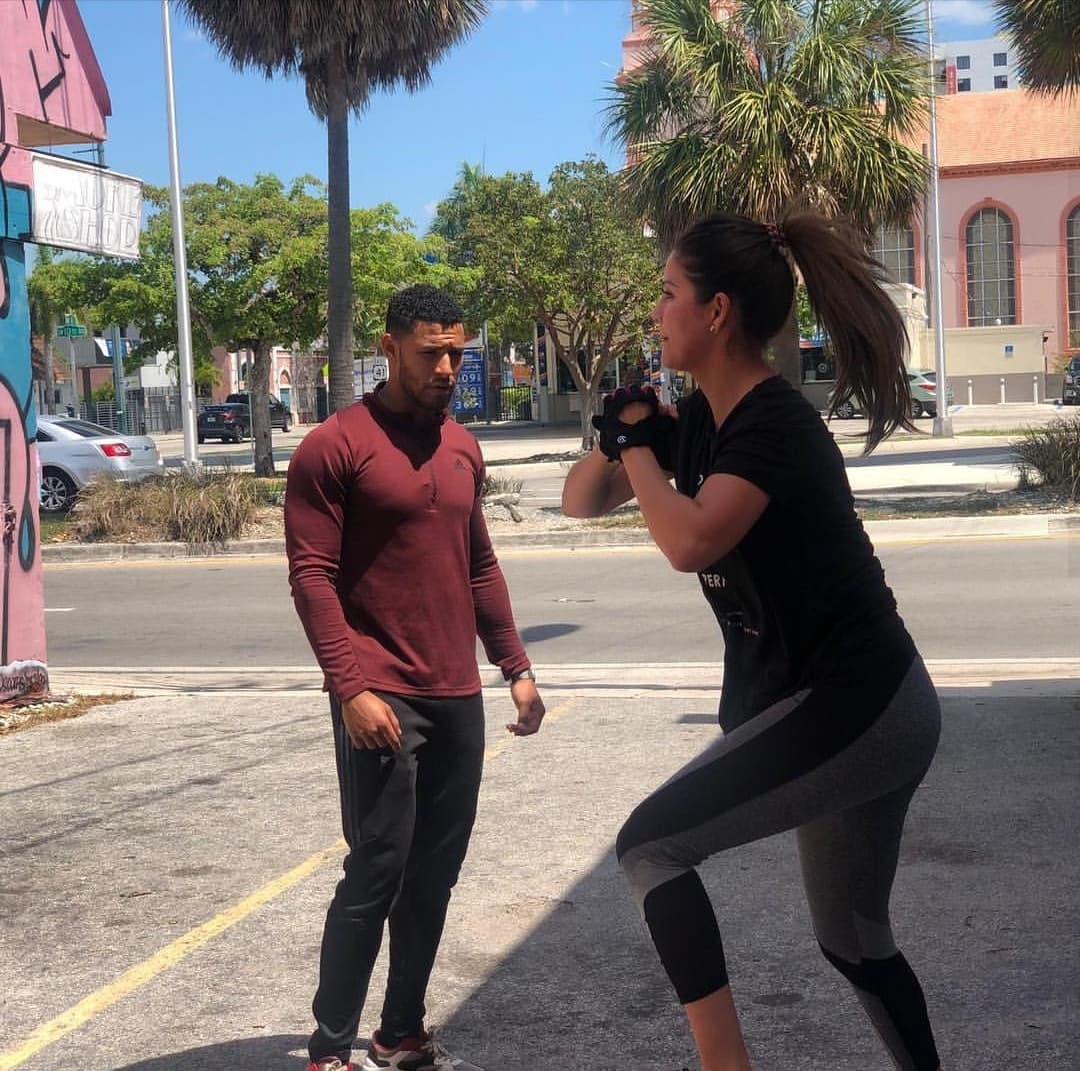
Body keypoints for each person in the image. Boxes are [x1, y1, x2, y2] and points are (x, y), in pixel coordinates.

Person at [562, 209, 943, 1071]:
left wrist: (643, 453)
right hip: (860, 703)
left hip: (859, 702)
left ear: (718, 310)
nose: (657, 313)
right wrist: (619, 435)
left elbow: (690, 540)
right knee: (853, 937)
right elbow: (581, 499)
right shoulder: (702, 421)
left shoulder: (775, 425)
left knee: (651, 846)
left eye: (668, 294)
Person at [286, 284, 546, 1071]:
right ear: (390, 345)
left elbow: (479, 564)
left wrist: (515, 666)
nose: (445, 366)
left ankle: (400, 1032)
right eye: (430, 351)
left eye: (456, 352)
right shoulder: (335, 446)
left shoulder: (463, 447)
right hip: (380, 692)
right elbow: (310, 575)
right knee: (376, 867)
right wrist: (351, 686)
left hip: (455, 693)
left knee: (434, 873)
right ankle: (328, 1050)